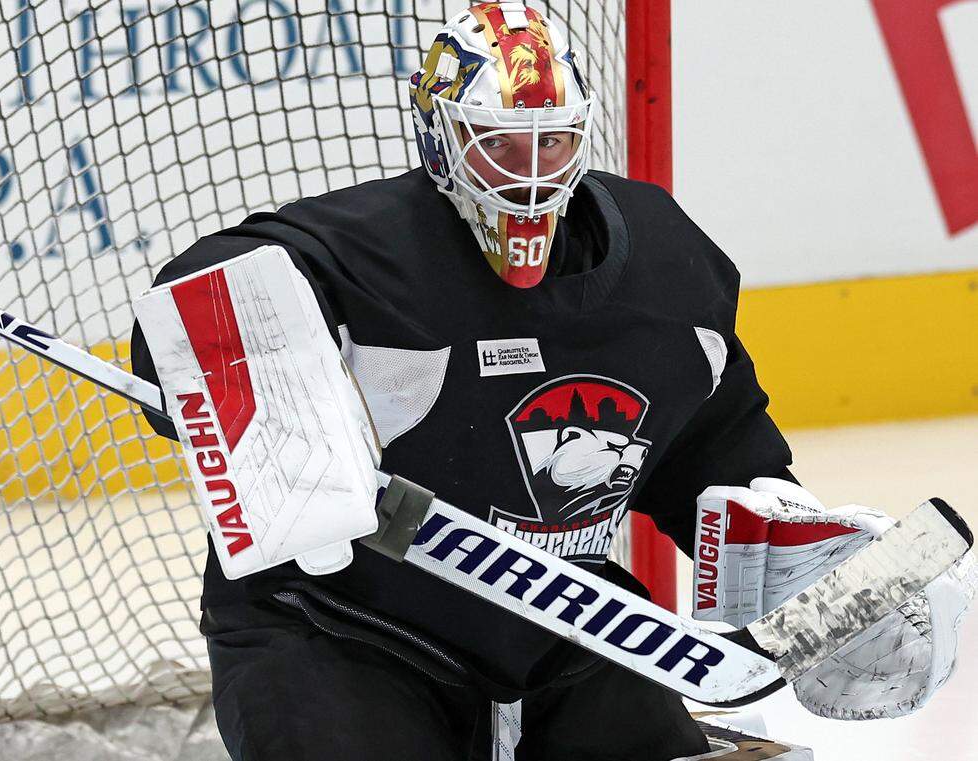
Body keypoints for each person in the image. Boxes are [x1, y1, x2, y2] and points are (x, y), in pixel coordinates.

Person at [131, 3, 972, 759]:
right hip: (338, 628)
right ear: (441, 138)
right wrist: (260, 392)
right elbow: (204, 293)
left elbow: (711, 452)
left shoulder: (669, 264)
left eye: (551, 142)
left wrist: (811, 575)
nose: (527, 172)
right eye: (495, 142)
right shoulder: (369, 252)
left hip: (565, 622)